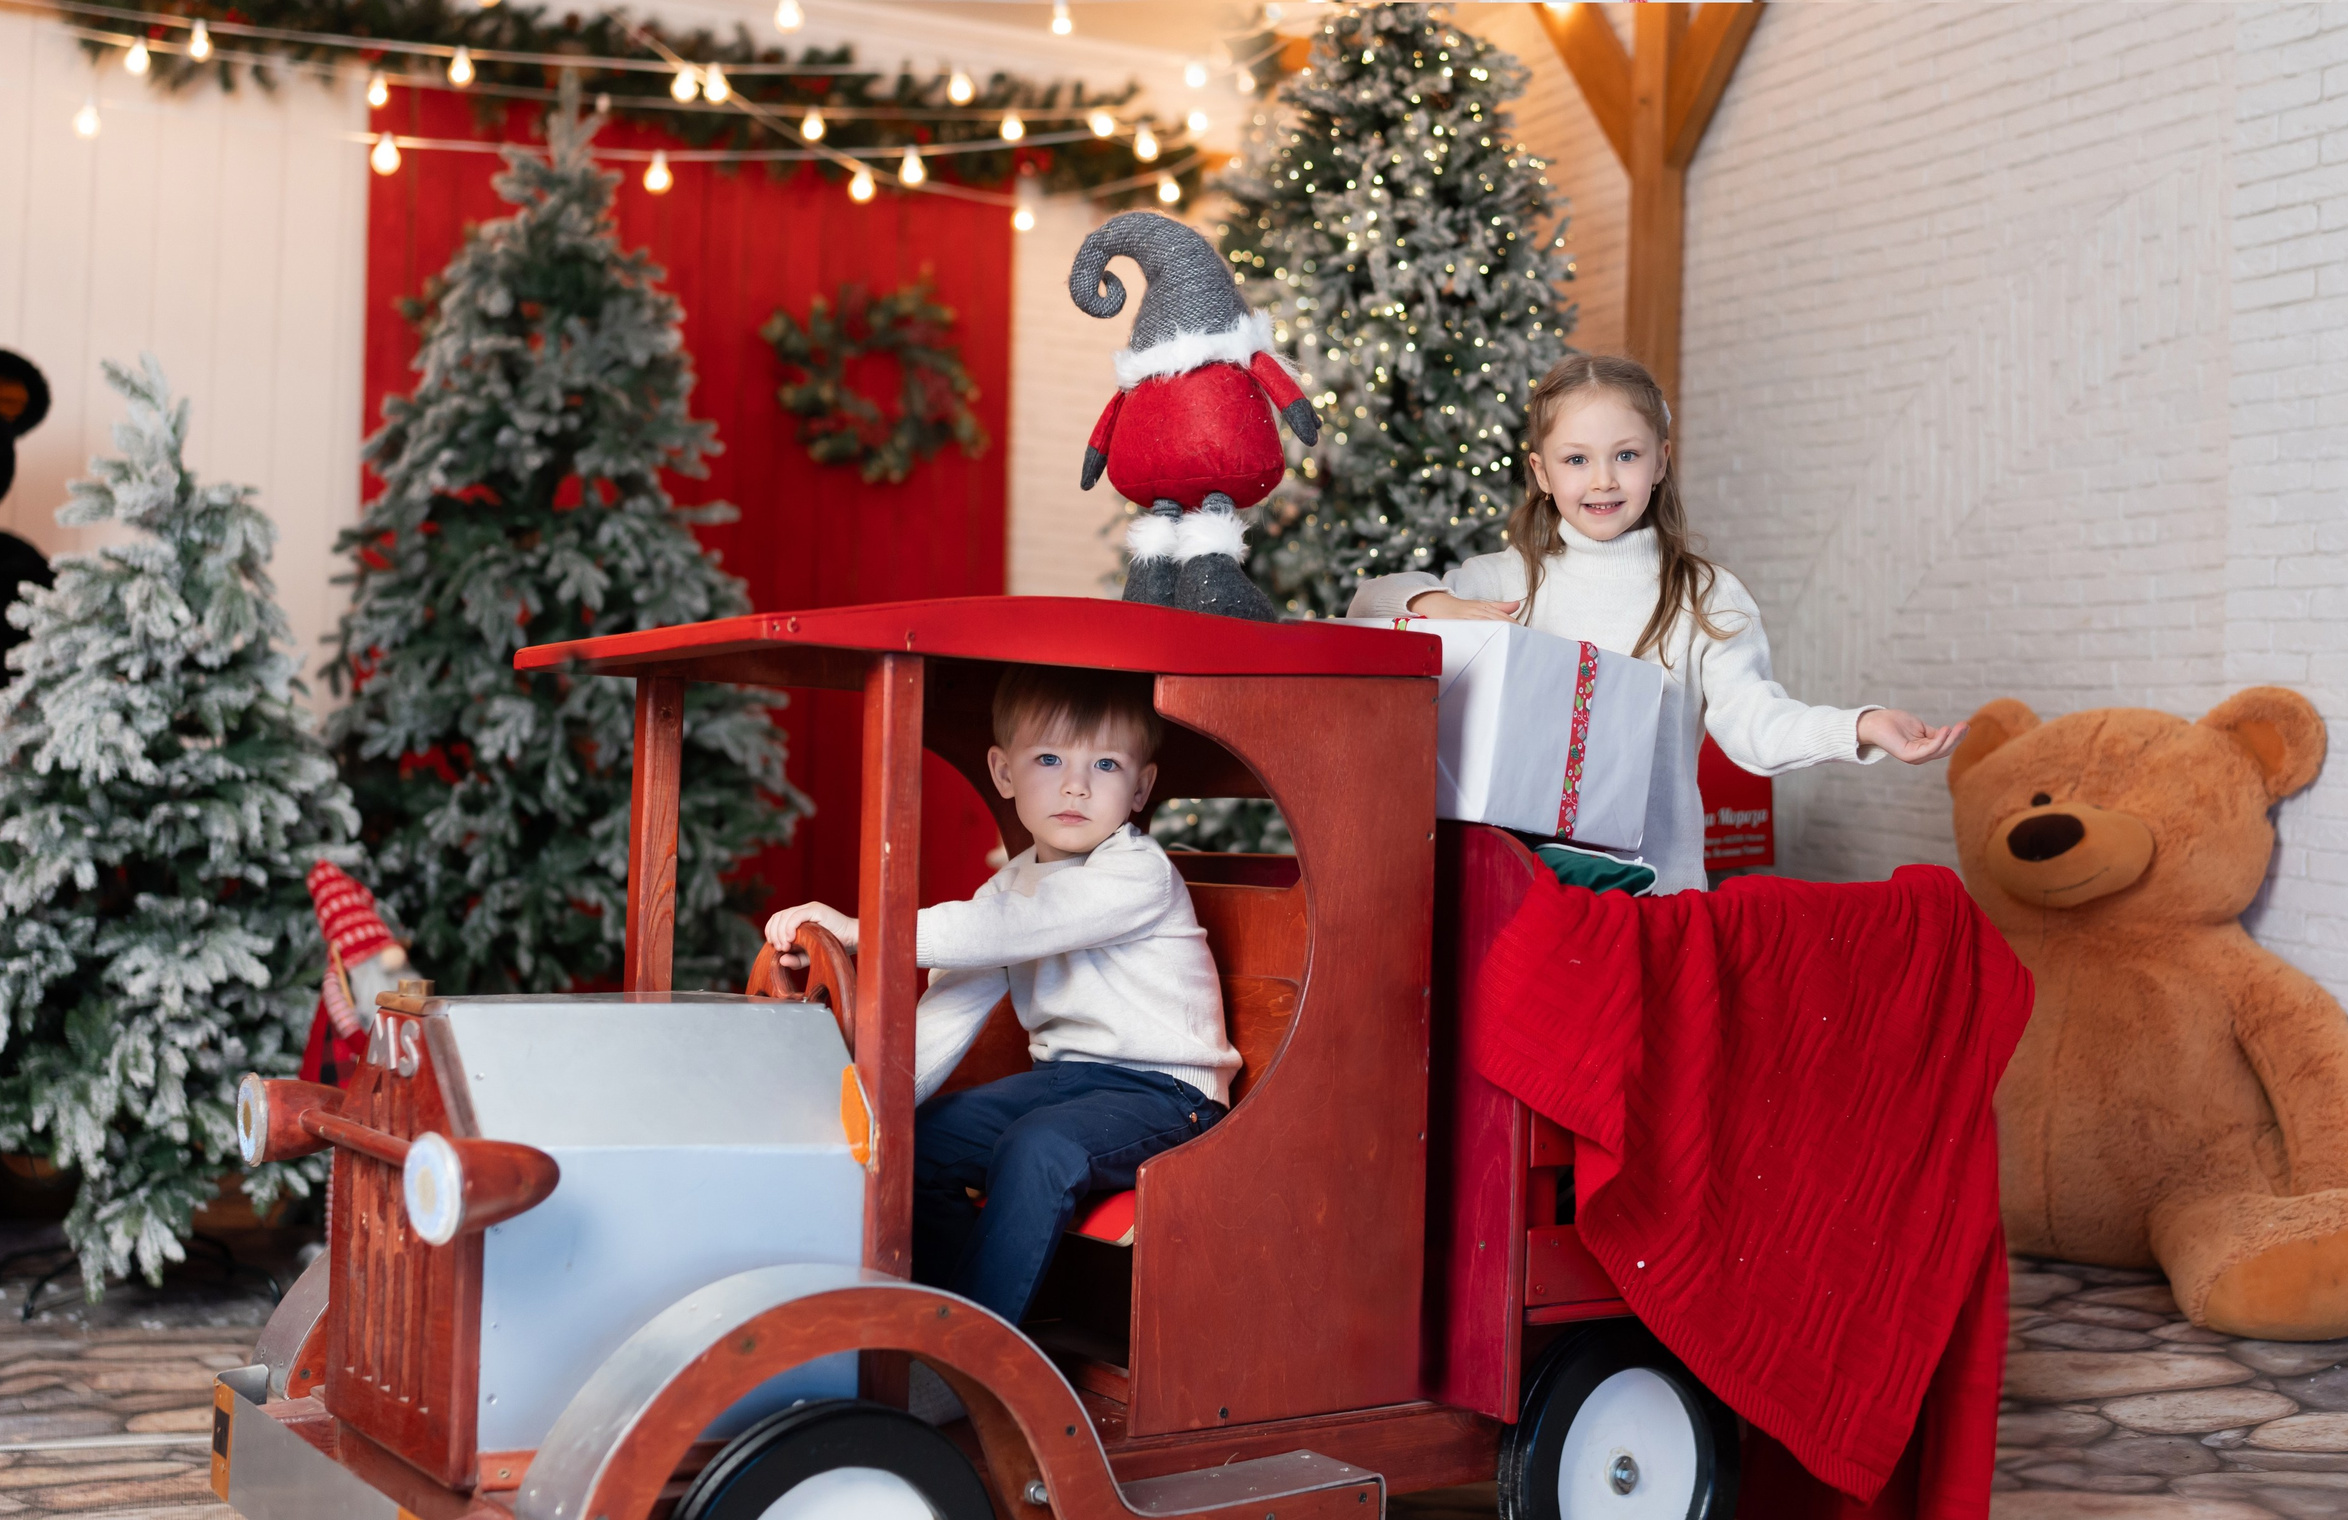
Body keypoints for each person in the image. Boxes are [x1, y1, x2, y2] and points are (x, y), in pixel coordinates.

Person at [1348, 352, 1966, 893]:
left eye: (1626, 454)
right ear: (1540, 472)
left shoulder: (1705, 595)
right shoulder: (1503, 580)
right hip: (1520, 899)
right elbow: (1369, 604)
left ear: (1661, 460)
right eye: (1576, 459)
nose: (1603, 480)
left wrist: (1860, 727)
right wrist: (1438, 607)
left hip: (1659, 895)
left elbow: (1755, 726)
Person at [762, 665, 1239, 1324]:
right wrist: (869, 1110)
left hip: (1165, 1093)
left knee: (1041, 1145)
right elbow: (948, 1013)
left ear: (1141, 787)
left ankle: (980, 1352)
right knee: (922, 1141)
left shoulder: (1137, 874)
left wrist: (861, 931)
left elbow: (1011, 927)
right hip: (1066, 1081)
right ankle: (951, 1318)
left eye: (1105, 763)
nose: (1076, 783)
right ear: (1004, 771)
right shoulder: (1009, 889)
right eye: (1049, 758)